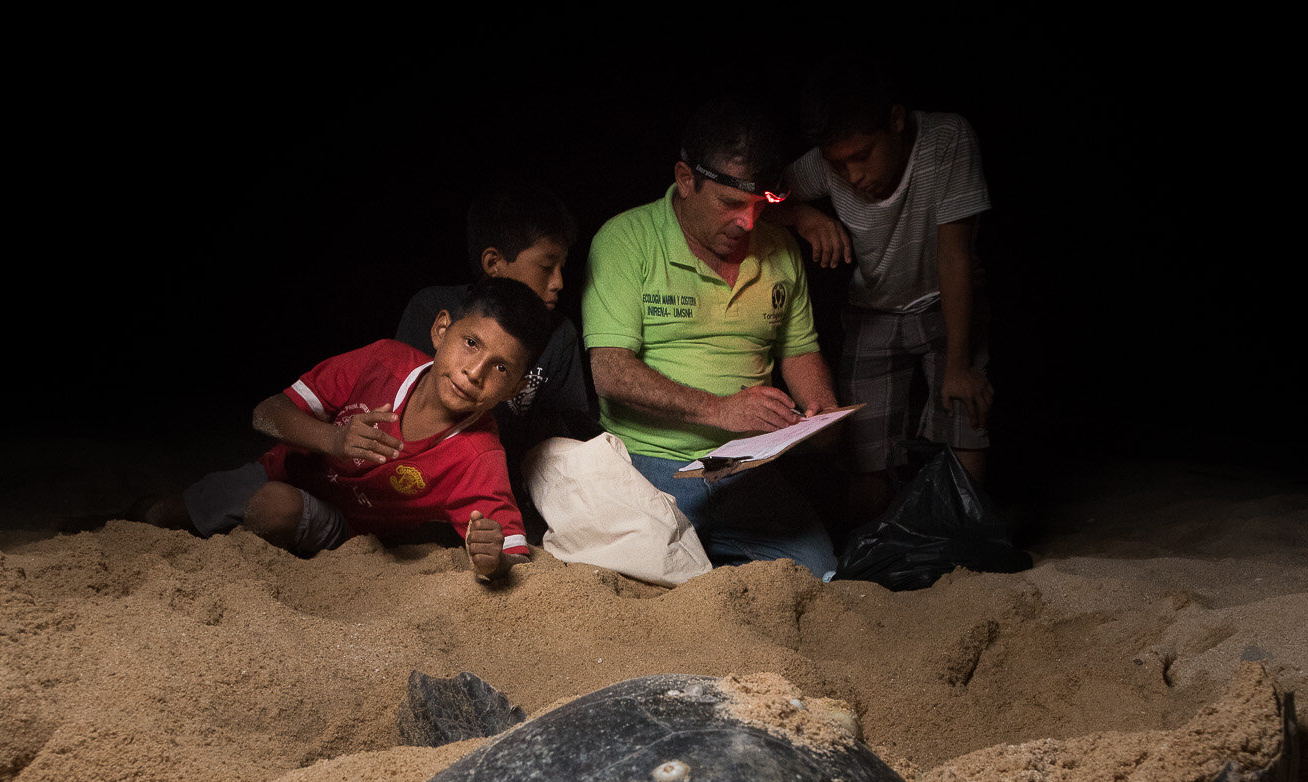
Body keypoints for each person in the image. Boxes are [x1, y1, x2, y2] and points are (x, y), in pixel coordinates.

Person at [141, 277, 555, 581]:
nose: (475, 372)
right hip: (281, 469)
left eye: (501, 368)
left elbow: (512, 552)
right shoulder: (382, 361)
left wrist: (492, 559)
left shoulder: (478, 454)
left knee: (275, 507)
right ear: (442, 329)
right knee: (161, 514)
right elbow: (266, 413)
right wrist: (333, 439)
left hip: (345, 529)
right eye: (471, 343)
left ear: (515, 388)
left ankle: (256, 569)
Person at [581, 96, 841, 580]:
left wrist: (820, 409)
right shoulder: (625, 239)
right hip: (651, 463)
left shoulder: (781, 250)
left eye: (758, 205)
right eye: (728, 203)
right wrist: (719, 409)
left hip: (746, 470)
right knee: (647, 584)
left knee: (822, 574)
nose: (746, 221)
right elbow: (609, 371)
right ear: (685, 179)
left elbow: (799, 350)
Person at [775, 56, 993, 520]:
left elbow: (954, 254)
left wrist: (958, 364)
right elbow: (765, 197)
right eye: (840, 164)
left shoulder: (945, 139)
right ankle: (875, 562)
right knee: (865, 452)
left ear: (896, 121)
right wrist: (803, 214)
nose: (852, 176)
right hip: (872, 309)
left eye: (861, 156)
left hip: (945, 302)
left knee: (965, 418)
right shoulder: (825, 165)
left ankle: (970, 544)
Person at [395, 183, 595, 544]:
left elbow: (571, 430)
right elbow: (397, 399)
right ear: (494, 264)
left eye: (562, 267)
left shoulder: (559, 335)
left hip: (502, 491)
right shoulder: (433, 308)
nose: (559, 283)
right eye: (547, 266)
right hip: (419, 484)